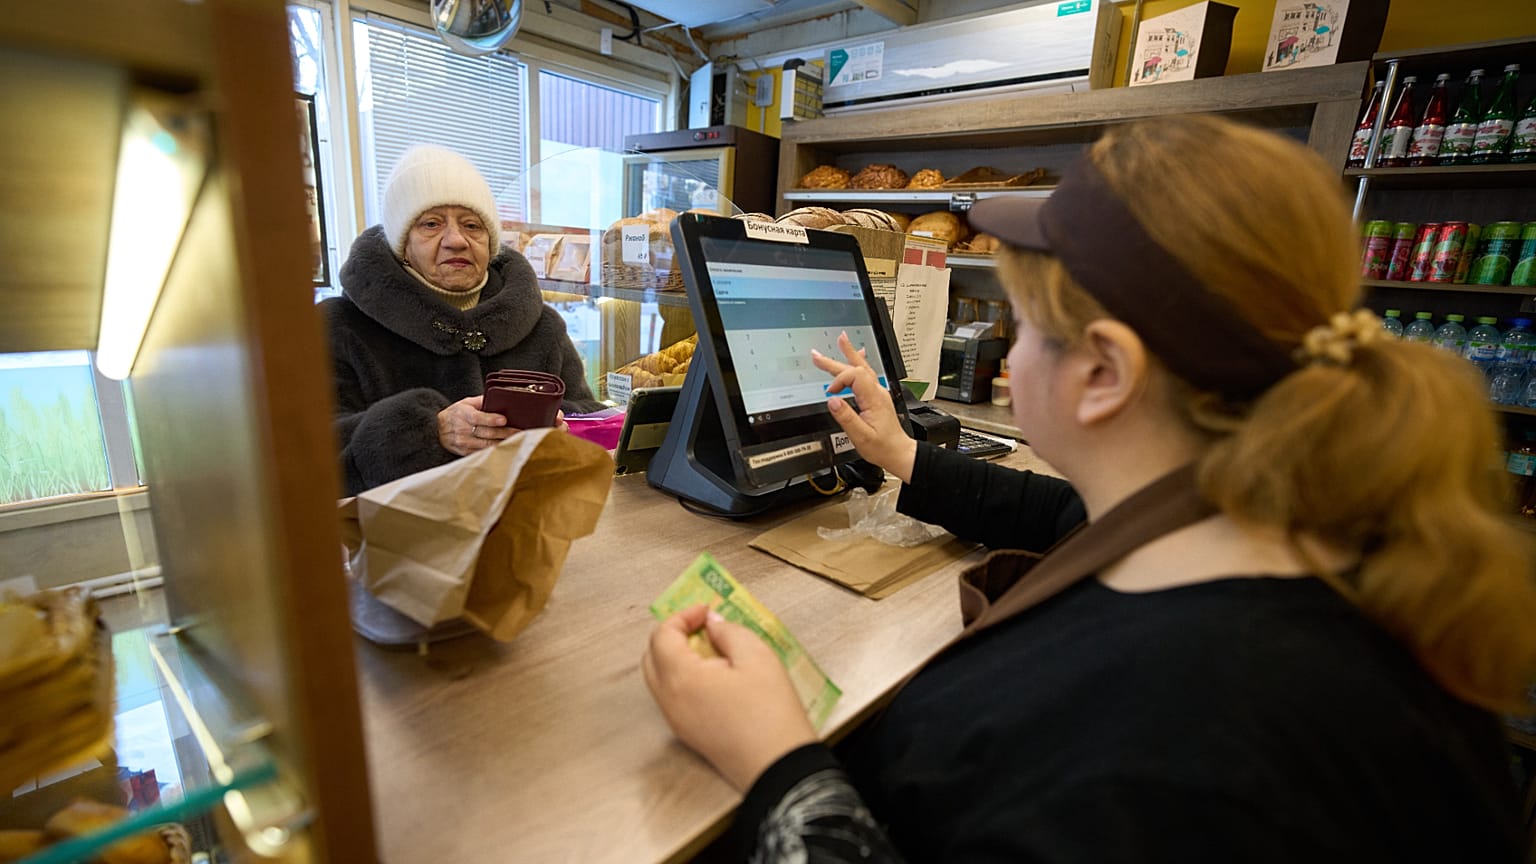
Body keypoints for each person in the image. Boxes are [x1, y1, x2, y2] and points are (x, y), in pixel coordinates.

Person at [642, 115, 1536, 862]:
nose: (1009, 352)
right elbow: (1060, 513)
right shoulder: (1279, 522)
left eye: (1023, 328)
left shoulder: (1166, 751)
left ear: (1103, 372)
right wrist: (903, 455)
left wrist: (779, 764)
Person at [323, 145, 601, 495]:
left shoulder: (542, 326)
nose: (456, 240)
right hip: (397, 539)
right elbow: (311, 454)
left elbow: (589, 417)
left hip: (527, 531)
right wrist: (427, 431)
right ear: (401, 244)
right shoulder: (338, 326)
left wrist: (559, 434)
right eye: (431, 224)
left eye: (472, 225)